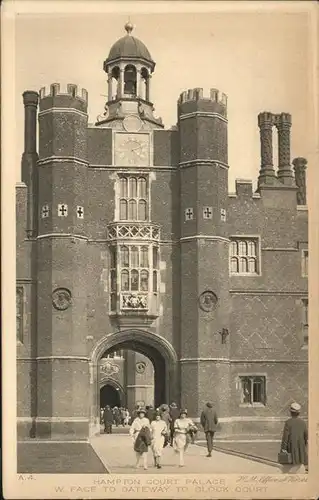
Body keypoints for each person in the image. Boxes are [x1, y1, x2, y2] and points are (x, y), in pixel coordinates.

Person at [280, 402, 308, 474]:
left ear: (291, 412)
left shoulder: (288, 422)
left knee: (290, 466)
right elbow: (306, 436)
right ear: (298, 413)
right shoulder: (303, 423)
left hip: (291, 447)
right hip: (300, 447)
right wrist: (304, 445)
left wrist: (283, 448)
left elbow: (285, 437)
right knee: (300, 463)